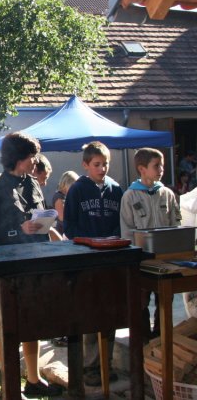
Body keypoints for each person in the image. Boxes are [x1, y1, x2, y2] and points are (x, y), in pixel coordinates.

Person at [0, 132, 63, 398]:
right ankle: (9, 387)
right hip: (9, 266)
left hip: (35, 261)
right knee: (7, 328)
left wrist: (45, 224)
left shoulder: (33, 183)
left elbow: (38, 214)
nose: (35, 161)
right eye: (31, 157)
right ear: (18, 158)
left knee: (32, 323)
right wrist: (19, 229)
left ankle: (34, 380)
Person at [63, 141, 123, 387]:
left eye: (105, 163)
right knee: (89, 312)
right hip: (86, 259)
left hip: (110, 259)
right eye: (97, 164)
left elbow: (121, 222)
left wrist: (113, 240)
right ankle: (89, 367)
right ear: (85, 165)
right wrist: (86, 242)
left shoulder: (116, 189)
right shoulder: (77, 190)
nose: (102, 168)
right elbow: (69, 226)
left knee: (110, 312)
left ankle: (106, 365)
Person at [120, 148, 181, 341]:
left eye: (162, 165)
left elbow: (175, 223)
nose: (161, 169)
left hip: (165, 260)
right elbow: (127, 230)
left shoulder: (167, 194)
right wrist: (134, 257)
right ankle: (143, 340)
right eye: (156, 166)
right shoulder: (130, 196)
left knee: (165, 299)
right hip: (142, 261)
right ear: (142, 169)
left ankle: (162, 337)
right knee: (141, 301)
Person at [51, 171, 79, 236]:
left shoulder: (67, 196)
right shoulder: (59, 197)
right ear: (66, 184)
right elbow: (62, 218)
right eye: (73, 186)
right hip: (63, 233)